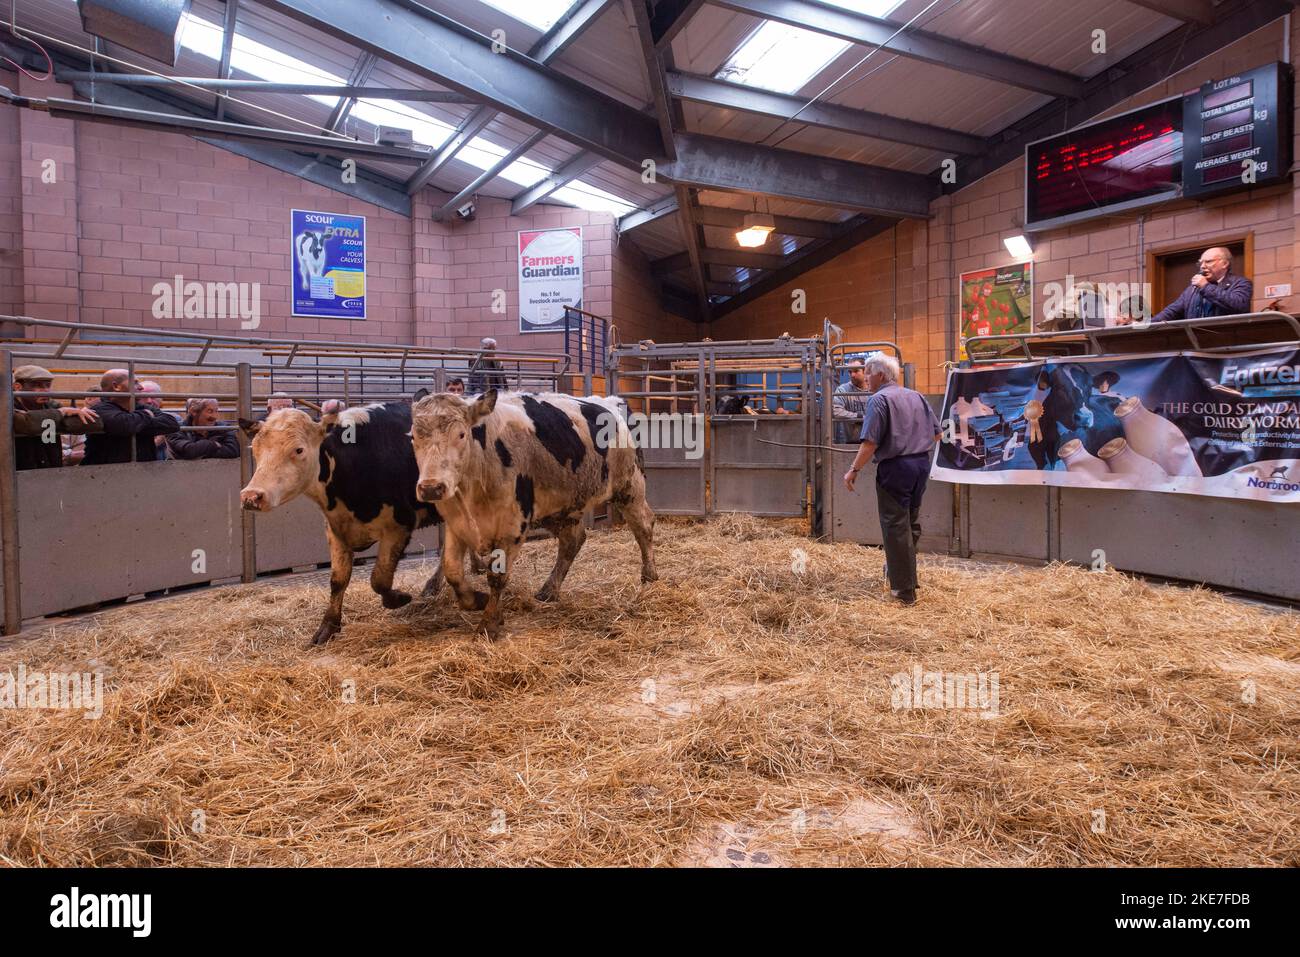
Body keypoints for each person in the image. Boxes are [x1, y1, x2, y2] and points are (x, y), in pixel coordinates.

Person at [843, 353, 942, 606]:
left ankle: (903, 590)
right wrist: (913, 443)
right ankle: (904, 574)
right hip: (920, 464)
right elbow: (937, 434)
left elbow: (870, 442)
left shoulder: (879, 399)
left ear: (880, 375)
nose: (865, 377)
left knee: (895, 525)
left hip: (896, 468)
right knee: (911, 521)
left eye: (867, 372)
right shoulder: (916, 395)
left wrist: (854, 469)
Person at [1128, 247, 1253, 325]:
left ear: (1225, 263)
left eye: (1208, 262)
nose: (1203, 266)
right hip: (1196, 345)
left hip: (1228, 345)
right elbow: (1171, 312)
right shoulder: (1192, 289)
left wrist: (1205, 287)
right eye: (1200, 263)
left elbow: (1239, 305)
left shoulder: (1241, 283)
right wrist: (1143, 325)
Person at [81, 369, 180, 465]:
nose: (141, 387)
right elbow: (123, 425)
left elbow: (171, 424)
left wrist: (136, 424)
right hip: (105, 477)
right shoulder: (99, 410)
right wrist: (146, 415)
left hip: (143, 475)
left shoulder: (141, 407)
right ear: (116, 386)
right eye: (135, 383)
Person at [10, 364, 99, 470]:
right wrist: (60, 413)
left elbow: (82, 425)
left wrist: (78, 413)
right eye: (38, 385)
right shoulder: (8, 405)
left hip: (50, 466)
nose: (45, 390)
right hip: (17, 469)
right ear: (18, 387)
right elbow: (24, 423)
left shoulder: (51, 405)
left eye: (47, 385)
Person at [167, 398, 239, 460]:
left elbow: (233, 451)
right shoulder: (176, 429)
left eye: (216, 411)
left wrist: (199, 453)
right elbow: (187, 451)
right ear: (193, 412)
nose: (215, 416)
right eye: (210, 411)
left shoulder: (224, 428)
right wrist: (212, 444)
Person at [832, 359, 871, 444]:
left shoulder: (874, 389)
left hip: (873, 441)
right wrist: (858, 416)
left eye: (856, 371)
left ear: (865, 371)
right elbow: (836, 411)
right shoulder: (843, 390)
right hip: (851, 442)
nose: (852, 375)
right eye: (850, 372)